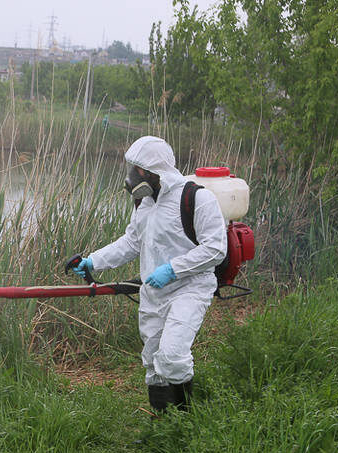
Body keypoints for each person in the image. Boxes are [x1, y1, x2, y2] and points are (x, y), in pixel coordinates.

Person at [73, 136, 226, 414]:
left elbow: (216, 249)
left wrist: (173, 270)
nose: (133, 176)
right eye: (133, 168)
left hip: (190, 289)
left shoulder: (197, 198)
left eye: (139, 169)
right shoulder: (144, 203)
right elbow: (131, 243)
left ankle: (186, 423)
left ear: (157, 171)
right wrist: (94, 260)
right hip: (154, 293)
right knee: (154, 361)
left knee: (172, 356)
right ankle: (163, 424)